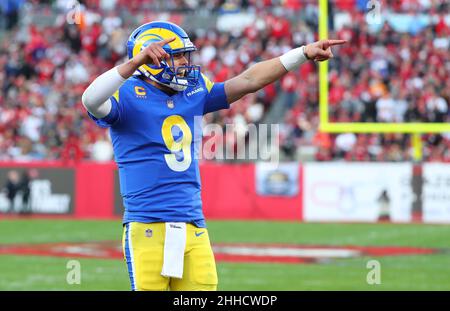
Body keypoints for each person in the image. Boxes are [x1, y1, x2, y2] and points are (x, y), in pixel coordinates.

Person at [82, 21, 345, 291]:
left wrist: (302, 53)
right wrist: (134, 62)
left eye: (185, 55)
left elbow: (249, 80)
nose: (185, 62)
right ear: (151, 58)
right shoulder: (126, 93)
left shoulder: (193, 90)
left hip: (193, 224)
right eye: (177, 56)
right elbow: (90, 100)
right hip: (148, 226)